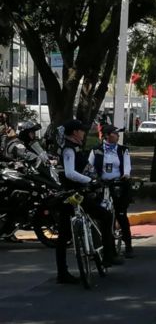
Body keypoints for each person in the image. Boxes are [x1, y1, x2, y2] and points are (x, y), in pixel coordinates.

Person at [56, 119, 123, 285]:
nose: (84, 133)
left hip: (74, 193)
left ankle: (64, 272)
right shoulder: (69, 149)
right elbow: (70, 173)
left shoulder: (75, 147)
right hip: (72, 195)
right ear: (74, 132)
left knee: (65, 235)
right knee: (105, 216)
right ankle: (108, 255)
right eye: (81, 130)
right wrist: (89, 181)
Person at [88, 124, 135, 258]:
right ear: (107, 136)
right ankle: (102, 247)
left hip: (118, 185)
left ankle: (128, 245)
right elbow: (89, 167)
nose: (118, 135)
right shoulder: (96, 150)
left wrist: (126, 175)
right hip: (101, 186)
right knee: (101, 216)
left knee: (121, 214)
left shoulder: (123, 150)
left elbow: (127, 166)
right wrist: (92, 179)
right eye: (115, 133)